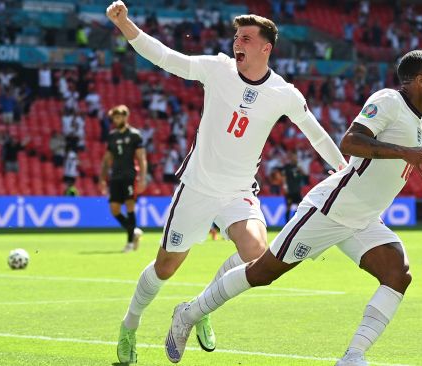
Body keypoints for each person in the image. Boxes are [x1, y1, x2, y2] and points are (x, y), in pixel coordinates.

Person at [162, 50, 422, 365]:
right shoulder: (389, 101)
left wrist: (406, 154)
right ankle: (189, 313)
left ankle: (352, 357)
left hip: (364, 218)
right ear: (421, 81)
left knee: (398, 274)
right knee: (262, 272)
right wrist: (406, 152)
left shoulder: (421, 120)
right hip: (330, 210)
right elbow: (351, 141)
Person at [105, 2, 347, 364]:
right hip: (197, 188)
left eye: (246, 38)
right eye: (236, 37)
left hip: (238, 192)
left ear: (266, 48)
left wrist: (344, 169)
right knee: (165, 267)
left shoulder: (285, 92)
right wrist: (125, 24)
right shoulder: (217, 69)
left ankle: (197, 311)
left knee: (258, 255)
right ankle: (130, 325)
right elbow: (166, 57)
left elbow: (316, 134)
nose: (238, 43)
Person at [99, 104, 147, 253]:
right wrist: (102, 178)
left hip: (129, 176)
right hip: (115, 177)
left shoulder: (134, 135)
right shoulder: (112, 136)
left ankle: (130, 243)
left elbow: (141, 158)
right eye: (115, 117)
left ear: (126, 117)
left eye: (119, 117)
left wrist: (142, 178)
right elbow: (107, 159)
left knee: (130, 206)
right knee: (114, 209)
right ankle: (134, 232)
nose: (116, 119)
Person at [282, 150, 306, 221]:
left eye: (295, 157)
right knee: (288, 207)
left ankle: (294, 220)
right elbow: (284, 178)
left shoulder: (298, 167)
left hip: (297, 190)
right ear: (291, 158)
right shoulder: (287, 167)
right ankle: (286, 223)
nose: (294, 158)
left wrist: (300, 169)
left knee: (300, 207)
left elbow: (305, 175)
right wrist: (285, 187)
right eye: (293, 157)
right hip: (289, 190)